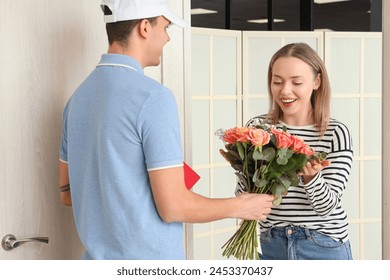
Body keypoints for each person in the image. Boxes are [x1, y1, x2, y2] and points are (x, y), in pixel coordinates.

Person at [58, 0, 274, 260]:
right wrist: (240, 206)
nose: (167, 38)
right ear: (145, 27)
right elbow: (173, 207)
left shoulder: (78, 99)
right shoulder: (153, 98)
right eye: (166, 27)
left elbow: (67, 195)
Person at [236, 43, 353, 260]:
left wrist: (311, 178)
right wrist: (244, 164)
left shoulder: (335, 132)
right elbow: (244, 195)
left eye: (296, 82)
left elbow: (327, 208)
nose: (285, 91)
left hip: (322, 246)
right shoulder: (258, 128)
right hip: (271, 244)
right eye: (277, 81)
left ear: (317, 82)